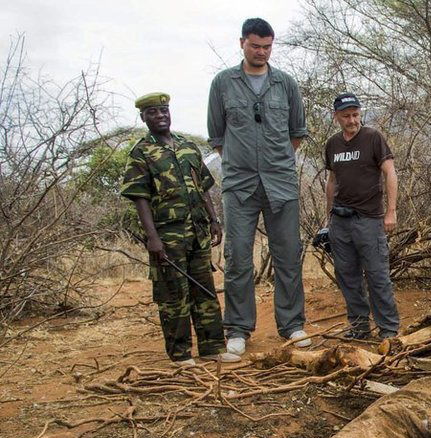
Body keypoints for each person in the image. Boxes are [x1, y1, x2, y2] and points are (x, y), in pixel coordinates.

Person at [207, 17, 311, 355]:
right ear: (242, 44)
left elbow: (296, 134)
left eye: (267, 47)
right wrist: (245, 162)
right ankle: (237, 330)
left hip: (280, 183)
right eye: (255, 46)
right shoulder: (222, 83)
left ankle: (292, 325)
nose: (262, 52)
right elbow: (218, 138)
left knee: (288, 256)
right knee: (237, 257)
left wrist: (272, 162)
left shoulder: (286, 84)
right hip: (239, 186)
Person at [120, 92, 240, 366]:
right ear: (143, 117)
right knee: (174, 294)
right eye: (153, 112)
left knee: (204, 290)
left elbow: (203, 189)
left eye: (163, 110)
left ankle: (212, 347)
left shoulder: (187, 147)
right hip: (167, 234)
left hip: (197, 231)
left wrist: (213, 220)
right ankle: (180, 354)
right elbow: (140, 197)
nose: (160, 115)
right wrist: (152, 238)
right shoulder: (141, 153)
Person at [323, 92, 400, 340]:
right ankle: (359, 327)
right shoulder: (333, 144)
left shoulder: (373, 138)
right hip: (340, 221)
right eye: (346, 116)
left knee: (377, 275)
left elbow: (390, 173)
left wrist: (391, 211)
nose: (352, 120)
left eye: (355, 114)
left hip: (368, 218)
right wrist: (328, 218)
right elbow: (332, 180)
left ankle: (388, 329)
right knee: (347, 276)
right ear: (336, 117)